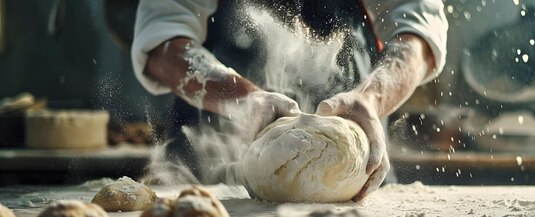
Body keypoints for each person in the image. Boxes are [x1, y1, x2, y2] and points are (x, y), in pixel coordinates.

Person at [131, 0, 448, 201]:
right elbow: (162, 38)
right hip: (209, 187)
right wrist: (244, 100)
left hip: (354, 182)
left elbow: (417, 28)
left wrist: (372, 99)